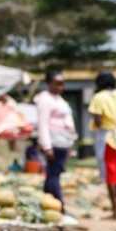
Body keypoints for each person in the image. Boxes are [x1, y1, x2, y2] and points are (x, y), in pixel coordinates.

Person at [89, 71, 116, 220]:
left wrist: (102, 125)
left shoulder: (98, 97)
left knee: (110, 177)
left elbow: (98, 120)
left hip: (106, 138)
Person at [35, 69, 78, 211]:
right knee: (54, 175)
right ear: (49, 84)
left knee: (53, 174)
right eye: (57, 84)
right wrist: (47, 146)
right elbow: (43, 123)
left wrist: (71, 141)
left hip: (63, 142)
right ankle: (59, 205)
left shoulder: (61, 101)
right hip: (53, 142)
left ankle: (47, 203)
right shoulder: (45, 99)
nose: (61, 87)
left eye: (62, 84)